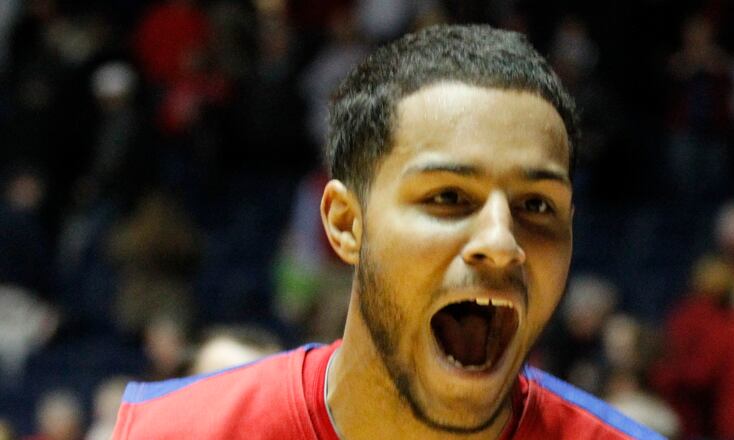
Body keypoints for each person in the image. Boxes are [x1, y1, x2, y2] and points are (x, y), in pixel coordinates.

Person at [111, 24, 663, 439]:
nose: (501, 241)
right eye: (449, 197)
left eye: (538, 205)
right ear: (346, 224)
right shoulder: (176, 432)